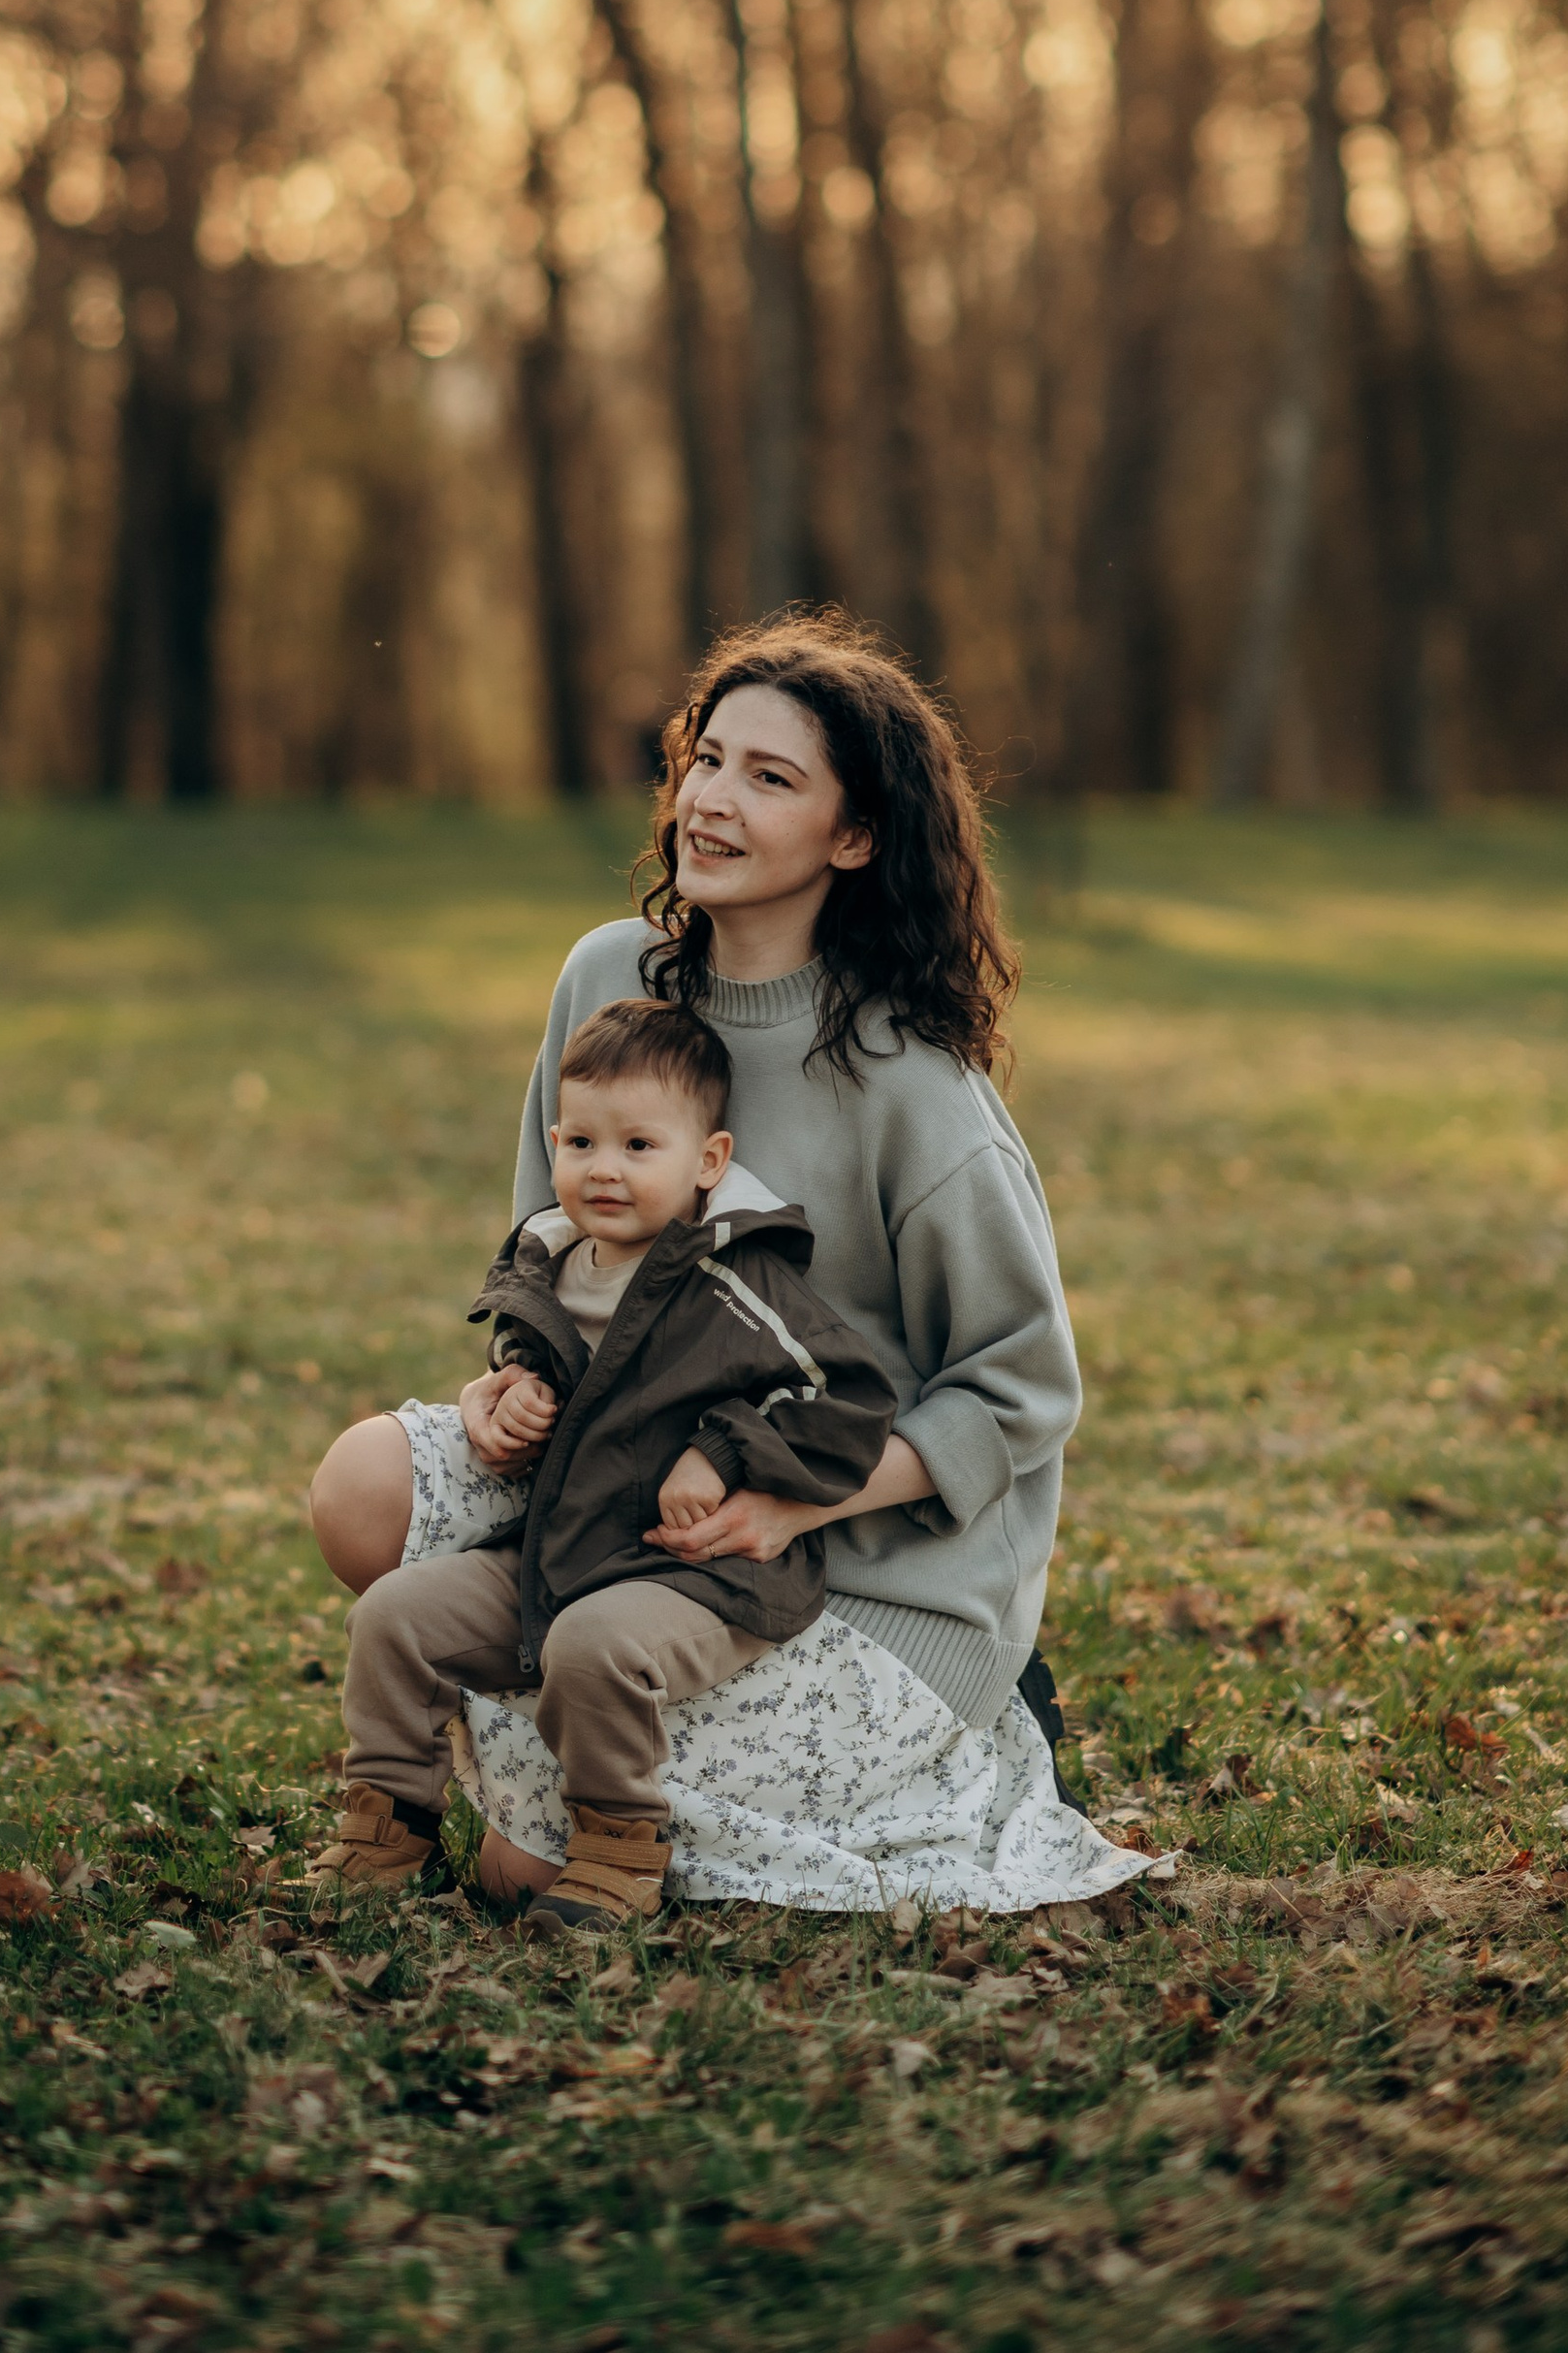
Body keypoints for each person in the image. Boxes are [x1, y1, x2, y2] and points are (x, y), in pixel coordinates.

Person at [305, 607, 1162, 1918]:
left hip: (860, 1558)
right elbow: (555, 1248)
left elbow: (1023, 1391)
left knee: (526, 1869)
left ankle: (949, 1739)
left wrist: (792, 1503)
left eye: (771, 779)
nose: (712, 800)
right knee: (364, 1488)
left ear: (854, 835)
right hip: (623, 1488)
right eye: (708, 759)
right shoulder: (610, 976)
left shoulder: (913, 1087)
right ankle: (548, 1696)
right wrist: (514, 1372)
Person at [311, 996, 894, 1930]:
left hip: (699, 1572)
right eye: (581, 1144)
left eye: (638, 1147)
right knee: (394, 1617)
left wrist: (722, 1449)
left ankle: (618, 1853)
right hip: (560, 1545)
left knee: (593, 1646)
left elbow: (849, 1402)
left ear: (708, 1162)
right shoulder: (551, 1261)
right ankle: (387, 1825)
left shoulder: (739, 1282)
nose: (604, 1170)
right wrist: (514, 1388)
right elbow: (539, 1359)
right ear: (553, 1143)